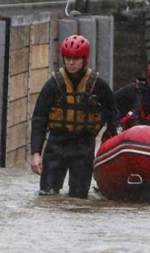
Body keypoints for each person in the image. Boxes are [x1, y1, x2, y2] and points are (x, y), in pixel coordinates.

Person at [30, 35, 120, 199]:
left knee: (78, 199)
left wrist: (114, 144)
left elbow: (113, 117)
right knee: (47, 196)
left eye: (76, 59)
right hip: (56, 145)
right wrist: (35, 153)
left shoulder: (99, 85)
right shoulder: (53, 85)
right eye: (68, 58)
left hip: (83, 147)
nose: (71, 63)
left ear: (85, 59)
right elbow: (39, 119)